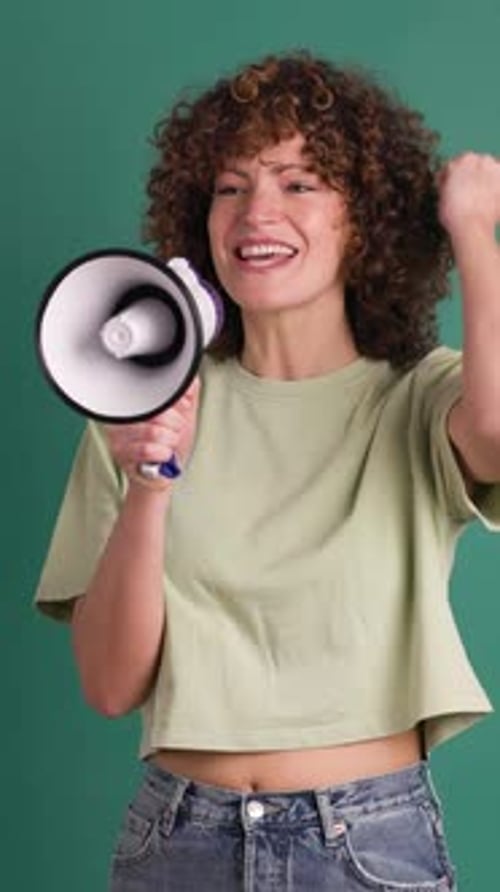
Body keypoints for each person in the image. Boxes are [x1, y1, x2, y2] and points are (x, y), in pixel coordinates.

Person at [35, 51, 500, 891]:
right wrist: (150, 483)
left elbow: (497, 428)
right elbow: (110, 686)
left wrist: (473, 232)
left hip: (365, 842)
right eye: (230, 185)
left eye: (300, 183)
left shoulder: (419, 397)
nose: (257, 211)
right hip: (174, 839)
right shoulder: (136, 405)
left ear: (365, 220)